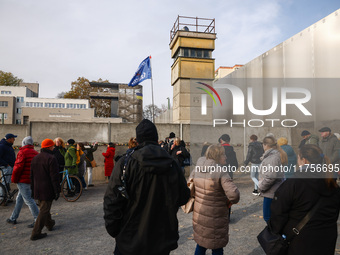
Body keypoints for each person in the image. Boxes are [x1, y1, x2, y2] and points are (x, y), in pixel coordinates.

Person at [104, 119, 190, 255]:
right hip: (161, 238)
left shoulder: (125, 163)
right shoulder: (172, 164)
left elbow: (111, 200)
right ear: (156, 138)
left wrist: (115, 230)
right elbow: (184, 197)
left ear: (137, 139)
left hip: (130, 239)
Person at [270, 144, 340, 255]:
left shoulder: (293, 183)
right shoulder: (332, 182)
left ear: (304, 160)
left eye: (298, 158)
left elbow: (278, 212)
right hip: (327, 236)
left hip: (300, 239)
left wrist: (277, 231)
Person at [191, 144, 240, 255]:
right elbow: (234, 195)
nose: (226, 157)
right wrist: (229, 200)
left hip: (199, 212)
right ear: (217, 156)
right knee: (217, 247)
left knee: (201, 243)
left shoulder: (197, 167)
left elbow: (190, 185)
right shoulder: (221, 172)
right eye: (223, 154)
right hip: (215, 217)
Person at [30, 139, 60, 241]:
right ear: (49, 147)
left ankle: (50, 224)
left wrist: (32, 190)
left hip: (37, 188)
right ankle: (36, 232)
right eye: (52, 146)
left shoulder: (35, 158)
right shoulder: (51, 158)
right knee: (44, 210)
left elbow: (32, 176)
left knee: (44, 208)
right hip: (47, 189)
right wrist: (57, 190)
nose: (53, 148)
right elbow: (54, 177)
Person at [6, 136, 39, 228]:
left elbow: (17, 168)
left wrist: (14, 179)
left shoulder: (22, 152)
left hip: (23, 180)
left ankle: (38, 219)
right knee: (20, 199)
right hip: (31, 180)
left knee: (28, 200)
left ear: (24, 143)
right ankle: (13, 218)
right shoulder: (36, 153)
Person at [258, 136, 287, 222]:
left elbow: (271, 177)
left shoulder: (272, 158)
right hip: (273, 191)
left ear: (265, 145)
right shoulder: (274, 155)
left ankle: (273, 235)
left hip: (271, 192)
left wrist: (261, 187)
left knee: (268, 217)